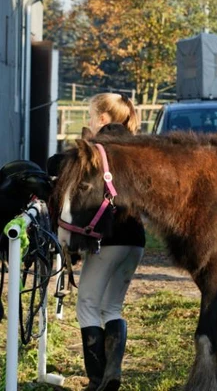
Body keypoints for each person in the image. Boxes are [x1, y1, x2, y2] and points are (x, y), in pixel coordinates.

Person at [48, 93, 145, 391]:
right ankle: (112, 373)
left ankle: (97, 381)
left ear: (102, 118)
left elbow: (58, 166)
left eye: (91, 115)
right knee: (111, 307)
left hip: (108, 239)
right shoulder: (138, 148)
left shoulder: (97, 148)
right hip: (137, 240)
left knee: (87, 306)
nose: (90, 120)